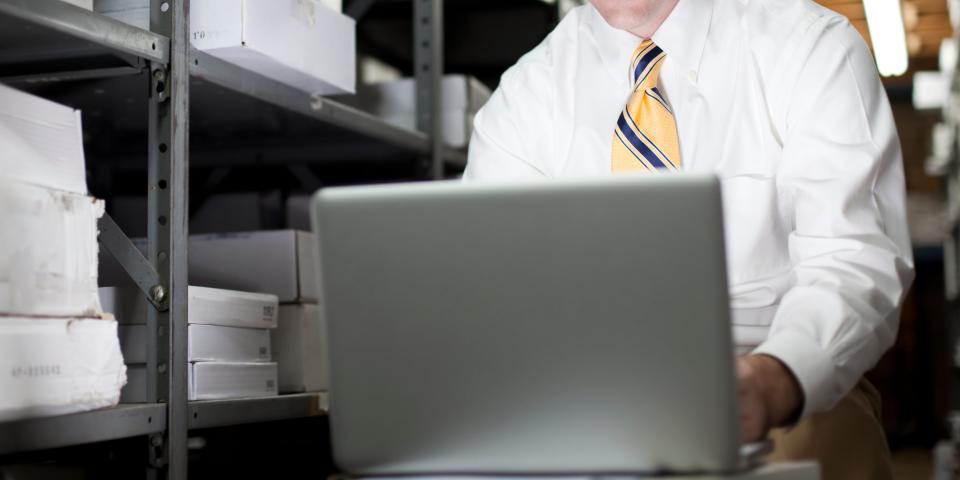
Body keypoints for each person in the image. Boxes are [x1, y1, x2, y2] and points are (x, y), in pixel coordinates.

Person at [462, 0, 916, 478]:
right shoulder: (523, 99)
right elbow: (495, 298)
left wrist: (773, 381)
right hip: (592, 402)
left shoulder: (811, 46)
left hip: (779, 377)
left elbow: (854, 260)